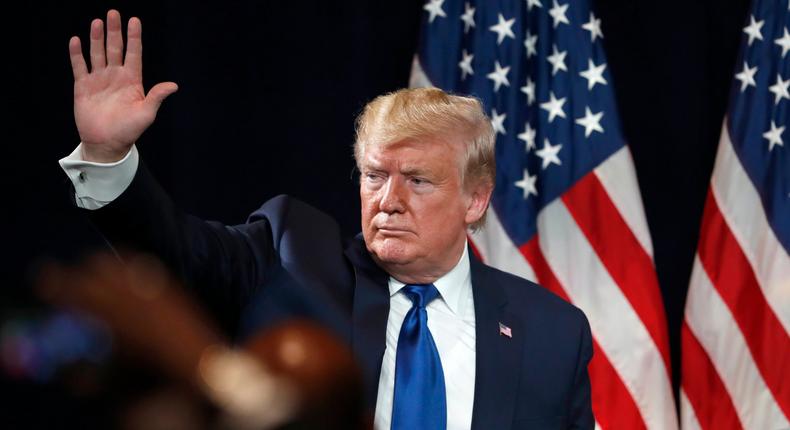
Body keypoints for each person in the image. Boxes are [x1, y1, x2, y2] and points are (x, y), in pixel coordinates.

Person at [61, 9, 594, 430]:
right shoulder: (291, 258)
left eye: (418, 180)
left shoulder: (552, 333)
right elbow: (176, 251)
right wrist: (107, 158)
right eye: (374, 175)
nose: (388, 199)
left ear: (475, 200)